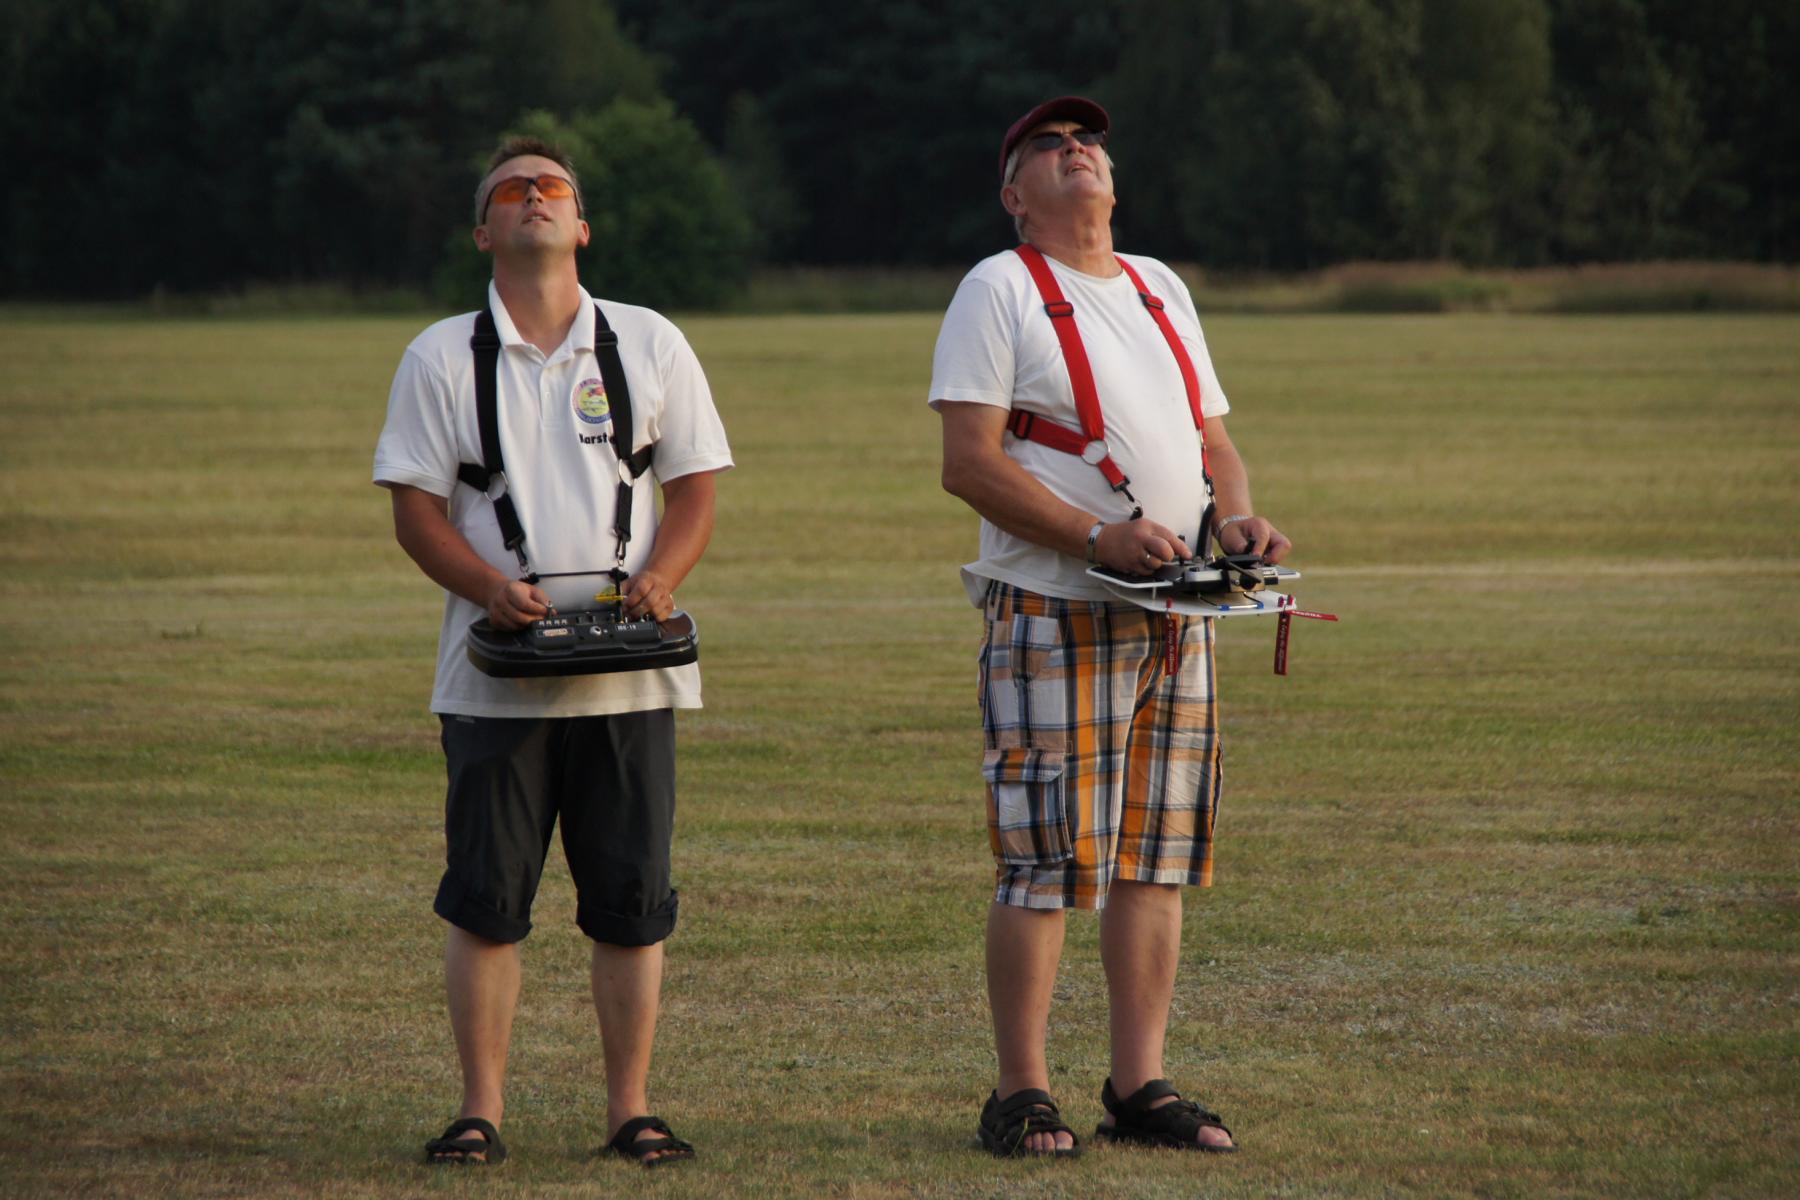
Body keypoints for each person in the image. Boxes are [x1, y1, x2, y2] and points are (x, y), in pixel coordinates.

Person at [929, 97, 1290, 1158]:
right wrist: (1096, 537)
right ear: (1015, 197)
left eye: (1087, 140)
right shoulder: (997, 289)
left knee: (1155, 858)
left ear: (1113, 180)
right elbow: (968, 463)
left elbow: (1213, 441)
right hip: (1056, 609)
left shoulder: (1159, 285)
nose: (1076, 149)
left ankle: (1140, 1085)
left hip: (1178, 615)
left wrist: (1235, 519)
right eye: (1048, 145)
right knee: (1045, 859)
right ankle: (1020, 1093)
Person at [372, 135, 732, 1167]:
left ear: (582, 226)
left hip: (631, 675)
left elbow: (695, 488)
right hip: (495, 678)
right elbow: (415, 510)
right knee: (488, 904)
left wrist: (663, 576)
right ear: (483, 233)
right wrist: (488, 589)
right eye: (510, 191)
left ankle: (632, 1111)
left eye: (552, 187)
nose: (533, 197)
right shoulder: (439, 355)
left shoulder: (649, 340)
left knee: (632, 909)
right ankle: (479, 1112)